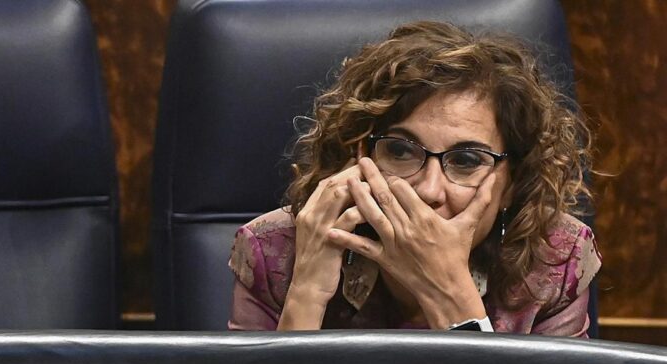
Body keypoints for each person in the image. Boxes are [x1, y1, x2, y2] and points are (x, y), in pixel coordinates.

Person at [228, 21, 601, 336]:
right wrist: (306, 292)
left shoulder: (555, 261)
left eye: (467, 160)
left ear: (514, 183)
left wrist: (452, 296)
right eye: (401, 152)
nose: (428, 189)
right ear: (357, 157)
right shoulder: (276, 249)